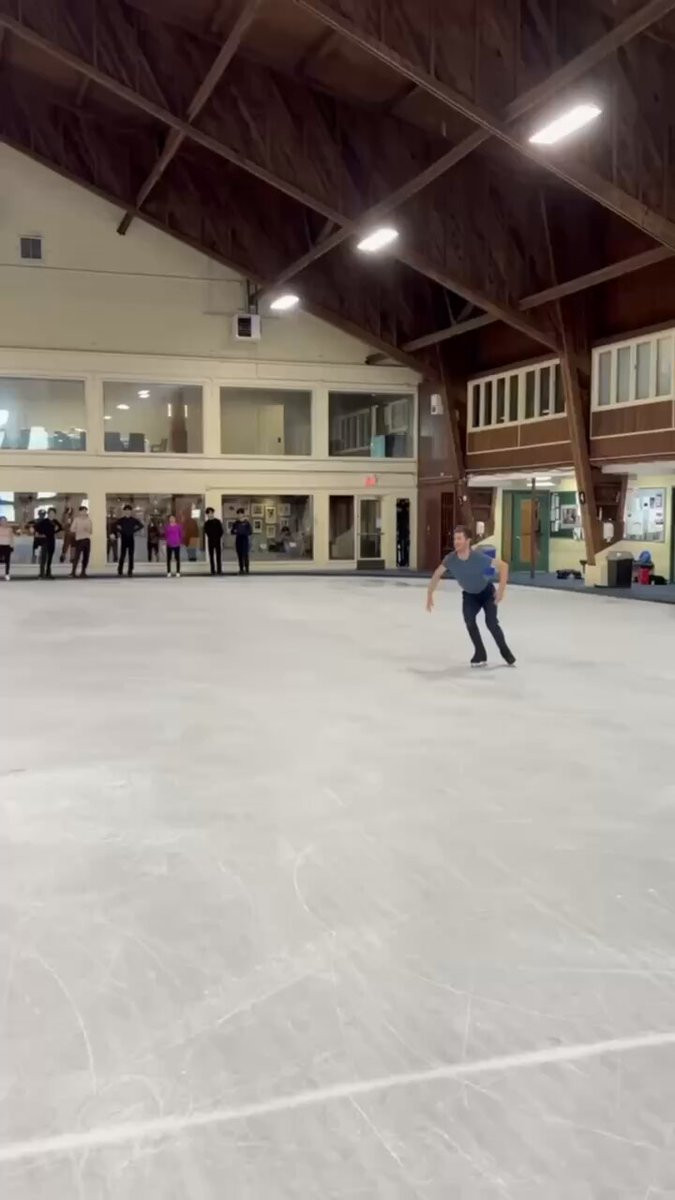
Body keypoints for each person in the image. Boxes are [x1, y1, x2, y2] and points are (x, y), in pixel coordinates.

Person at [426, 524, 516, 667]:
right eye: (455, 539)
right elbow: (437, 574)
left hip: (487, 594)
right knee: (469, 621)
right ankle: (480, 653)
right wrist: (430, 594)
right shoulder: (450, 559)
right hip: (470, 596)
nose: (456, 542)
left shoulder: (478, 557)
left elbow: (503, 566)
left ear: (467, 541)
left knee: (491, 623)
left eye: (459, 538)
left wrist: (501, 590)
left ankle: (506, 652)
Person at [32, 508, 61, 579]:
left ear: (55, 514)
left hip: (52, 541)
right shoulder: (44, 521)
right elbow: (36, 527)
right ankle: (42, 573)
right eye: (50, 513)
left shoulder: (55, 521)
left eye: (53, 513)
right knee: (44, 558)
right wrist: (41, 533)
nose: (52, 514)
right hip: (45, 541)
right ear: (48, 514)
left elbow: (61, 527)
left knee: (50, 558)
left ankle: (48, 573)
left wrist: (55, 531)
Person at [115, 505, 143, 577]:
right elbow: (114, 525)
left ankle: (130, 570)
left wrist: (134, 530)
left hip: (131, 539)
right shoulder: (121, 520)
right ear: (124, 511)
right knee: (122, 555)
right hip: (124, 539)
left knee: (131, 555)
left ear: (131, 511)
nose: (127, 512)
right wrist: (121, 531)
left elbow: (141, 525)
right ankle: (120, 570)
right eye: (126, 510)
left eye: (129, 510)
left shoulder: (133, 520)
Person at [70, 505, 93, 578]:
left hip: (86, 539)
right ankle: (73, 572)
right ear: (80, 512)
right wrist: (78, 529)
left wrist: (87, 529)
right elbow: (71, 529)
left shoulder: (88, 520)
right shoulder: (76, 519)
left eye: (85, 511)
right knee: (77, 556)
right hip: (79, 540)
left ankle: (83, 572)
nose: (84, 512)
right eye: (83, 511)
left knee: (86, 557)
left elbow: (91, 531)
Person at [204, 507, 224, 576]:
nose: (210, 514)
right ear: (207, 514)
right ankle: (212, 570)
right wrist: (211, 536)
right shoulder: (206, 523)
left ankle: (219, 570)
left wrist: (218, 537)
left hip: (217, 541)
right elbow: (206, 532)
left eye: (211, 513)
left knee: (218, 556)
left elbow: (221, 531)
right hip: (210, 541)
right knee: (211, 556)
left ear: (213, 513)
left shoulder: (217, 521)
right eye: (209, 513)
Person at [232, 509, 252, 575]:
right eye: (238, 514)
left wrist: (243, 532)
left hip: (245, 540)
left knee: (245, 555)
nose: (239, 515)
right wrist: (234, 531)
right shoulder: (236, 523)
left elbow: (250, 532)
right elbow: (232, 531)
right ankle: (241, 569)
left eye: (241, 513)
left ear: (243, 514)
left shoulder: (247, 523)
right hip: (238, 540)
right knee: (239, 555)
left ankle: (247, 569)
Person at [0, 515, 14, 581]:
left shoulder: (9, 529)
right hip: (0, 546)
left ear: (6, 521)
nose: (3, 522)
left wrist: (12, 546)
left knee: (7, 561)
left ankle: (7, 574)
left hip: (7, 546)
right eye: (2, 521)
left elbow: (11, 538)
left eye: (4, 520)